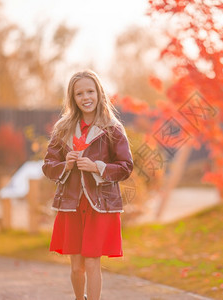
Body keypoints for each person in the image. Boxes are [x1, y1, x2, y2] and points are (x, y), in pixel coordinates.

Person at [42, 70, 133, 300]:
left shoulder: (112, 128)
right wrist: (66, 164)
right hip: (71, 203)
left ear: (99, 93)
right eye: (79, 93)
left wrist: (98, 167)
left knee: (92, 261)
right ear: (73, 98)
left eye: (90, 91)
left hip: (100, 204)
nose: (86, 97)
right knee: (76, 266)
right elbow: (48, 166)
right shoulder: (63, 128)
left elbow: (126, 166)